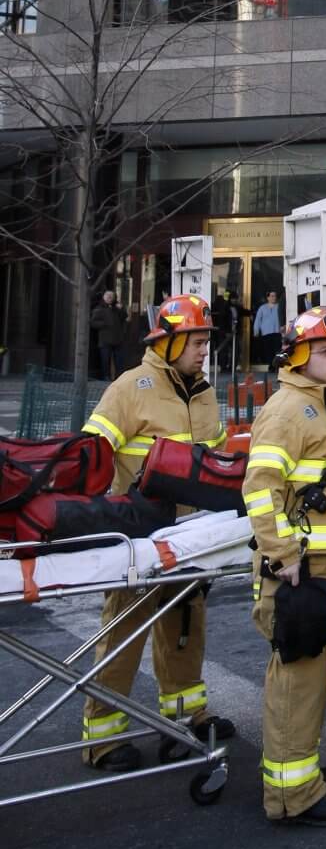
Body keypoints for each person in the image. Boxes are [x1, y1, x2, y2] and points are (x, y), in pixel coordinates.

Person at [79, 294, 235, 772]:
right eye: (196, 340)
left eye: (207, 339)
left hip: (193, 536)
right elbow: (91, 455)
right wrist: (104, 517)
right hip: (138, 539)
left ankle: (186, 718)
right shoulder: (132, 387)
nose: (204, 349)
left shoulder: (204, 392)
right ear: (166, 343)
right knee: (124, 631)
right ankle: (102, 737)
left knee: (186, 629)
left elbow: (216, 458)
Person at [242, 306, 326, 827]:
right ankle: (294, 796)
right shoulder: (290, 410)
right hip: (299, 568)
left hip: (317, 565)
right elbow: (259, 489)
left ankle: (300, 771)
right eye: (325, 351)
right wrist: (285, 555)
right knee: (297, 673)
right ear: (296, 356)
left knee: (312, 671)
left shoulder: (319, 405)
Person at [90, 290, 126, 380]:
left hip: (118, 339)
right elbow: (93, 323)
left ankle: (119, 377)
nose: (110, 298)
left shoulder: (117, 308)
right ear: (104, 297)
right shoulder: (99, 308)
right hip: (105, 339)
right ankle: (106, 377)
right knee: (105, 360)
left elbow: (124, 317)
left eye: (111, 296)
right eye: (107, 296)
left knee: (119, 360)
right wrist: (104, 324)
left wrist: (121, 309)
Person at [252, 290, 283, 366]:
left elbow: (283, 317)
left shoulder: (279, 307)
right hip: (266, 333)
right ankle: (270, 366)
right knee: (267, 351)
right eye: (271, 296)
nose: (273, 298)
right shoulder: (262, 308)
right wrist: (256, 331)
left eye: (275, 296)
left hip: (277, 332)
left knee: (277, 350)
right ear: (268, 297)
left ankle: (277, 366)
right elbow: (258, 320)